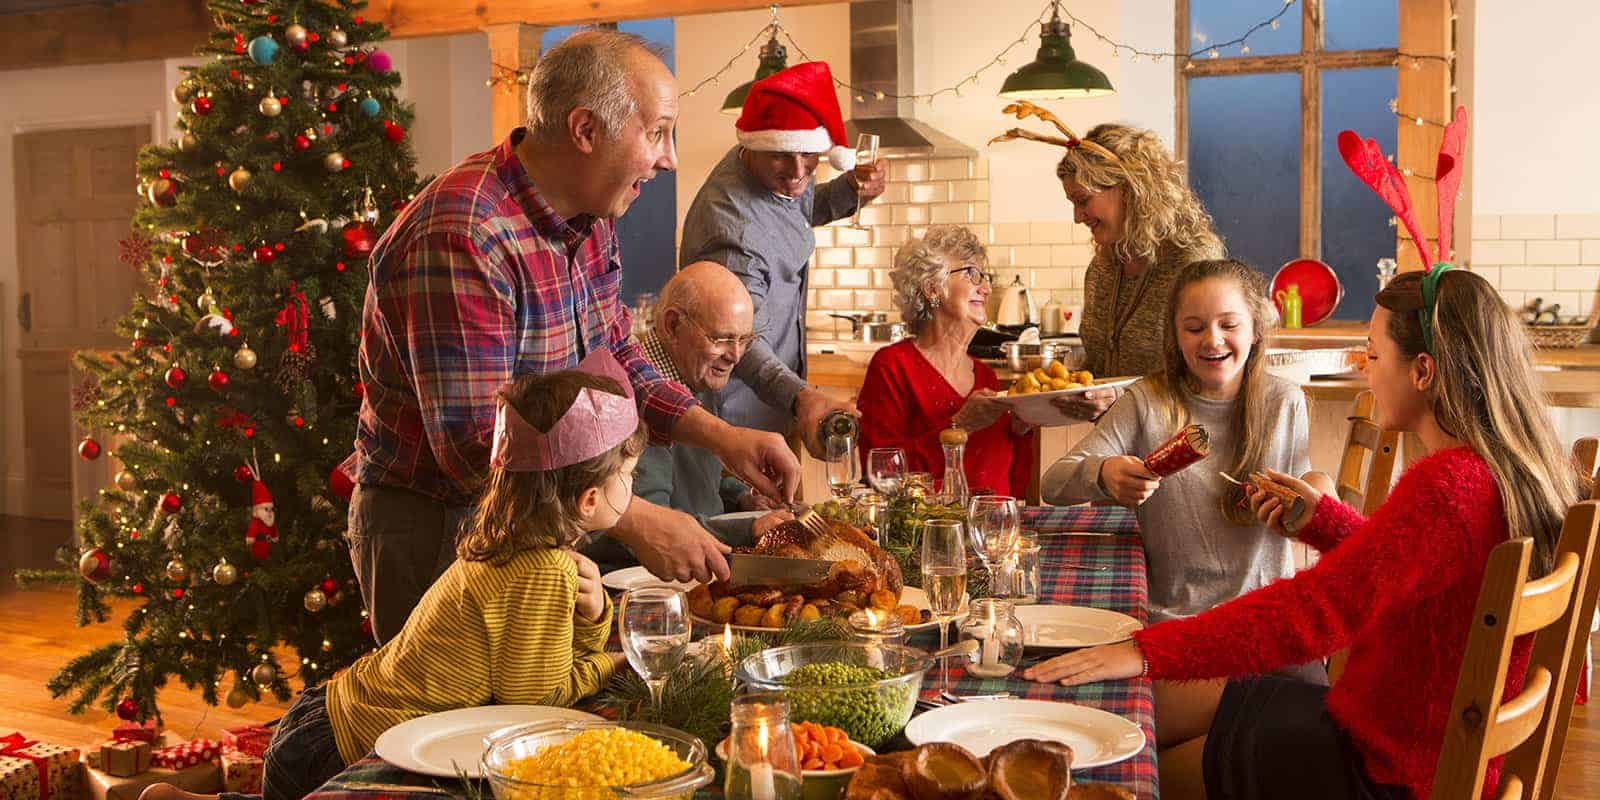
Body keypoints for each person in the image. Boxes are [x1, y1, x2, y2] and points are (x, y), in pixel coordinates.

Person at [1024, 267, 1588, 800]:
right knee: (1136, 713)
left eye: (1372, 355)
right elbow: (1397, 568)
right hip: (1387, 731)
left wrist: (1145, 650)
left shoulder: (1448, 485)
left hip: (1381, 768)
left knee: (1131, 773)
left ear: (1423, 371)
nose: (1366, 370)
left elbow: (1312, 612)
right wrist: (1321, 519)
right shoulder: (1495, 471)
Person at [347, 29, 799, 643]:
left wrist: (721, 437)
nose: (669, 158)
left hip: (539, 517)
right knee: (450, 731)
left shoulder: (589, 220)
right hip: (441, 527)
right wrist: (635, 519)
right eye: (658, 132)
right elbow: (479, 448)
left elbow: (618, 364)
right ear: (587, 131)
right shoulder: (466, 233)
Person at [203, 361, 642, 800]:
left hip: (327, 717)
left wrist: (593, 615)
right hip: (340, 749)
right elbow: (540, 708)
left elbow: (542, 670)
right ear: (588, 500)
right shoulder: (544, 570)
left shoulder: (507, 545)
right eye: (629, 475)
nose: (632, 484)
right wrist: (614, 662)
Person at [1041, 258, 1318, 630]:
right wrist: (1103, 473)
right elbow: (1052, 484)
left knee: (1317, 691)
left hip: (1264, 620)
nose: (1212, 339)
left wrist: (1315, 497)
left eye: (1229, 324)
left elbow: (1306, 508)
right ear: (1174, 335)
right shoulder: (1145, 401)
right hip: (1172, 622)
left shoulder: (1285, 402)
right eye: (1194, 327)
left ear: (1255, 329)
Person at [680, 61, 886, 454]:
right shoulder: (733, 230)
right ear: (754, 145)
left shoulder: (766, 162)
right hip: (736, 424)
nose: (796, 171)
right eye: (781, 157)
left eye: (809, 155)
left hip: (775, 409)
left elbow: (795, 207)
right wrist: (803, 398)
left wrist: (850, 189)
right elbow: (737, 343)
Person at [992, 104, 1223, 421]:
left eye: (1083, 200)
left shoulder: (1193, 264)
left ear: (1131, 189)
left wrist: (1120, 398)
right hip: (1121, 445)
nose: (1077, 217)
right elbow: (1099, 368)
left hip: (1182, 443)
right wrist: (1059, 391)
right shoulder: (1103, 268)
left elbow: (1210, 376)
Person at [583, 262, 794, 572]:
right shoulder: (633, 406)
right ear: (672, 325)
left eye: (745, 340)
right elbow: (649, 533)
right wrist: (748, 530)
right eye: (722, 339)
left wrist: (743, 498)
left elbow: (695, 486)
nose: (735, 355)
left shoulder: (697, 375)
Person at [856, 226, 1034, 498]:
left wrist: (1022, 429)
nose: (986, 288)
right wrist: (959, 426)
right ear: (932, 288)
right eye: (972, 274)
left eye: (984, 277)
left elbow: (1010, 480)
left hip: (991, 531)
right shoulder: (893, 367)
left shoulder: (986, 376)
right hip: (927, 533)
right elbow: (881, 476)